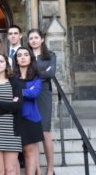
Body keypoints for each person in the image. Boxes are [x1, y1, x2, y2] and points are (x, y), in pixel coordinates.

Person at [27, 29, 56, 175]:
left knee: (45, 132)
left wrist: (35, 75)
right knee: (33, 132)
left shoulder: (50, 55)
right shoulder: (27, 56)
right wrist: (42, 73)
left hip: (44, 94)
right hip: (30, 94)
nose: (33, 40)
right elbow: (25, 74)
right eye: (31, 38)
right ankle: (37, 169)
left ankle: (50, 169)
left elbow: (51, 73)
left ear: (42, 39)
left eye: (36, 37)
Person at [14, 47, 44, 175]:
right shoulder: (12, 77)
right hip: (14, 117)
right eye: (19, 55)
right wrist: (27, 91)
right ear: (16, 59)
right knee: (13, 154)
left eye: (26, 54)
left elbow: (34, 93)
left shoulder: (36, 77)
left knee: (29, 152)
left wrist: (19, 92)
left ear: (31, 57)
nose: (23, 57)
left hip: (30, 119)